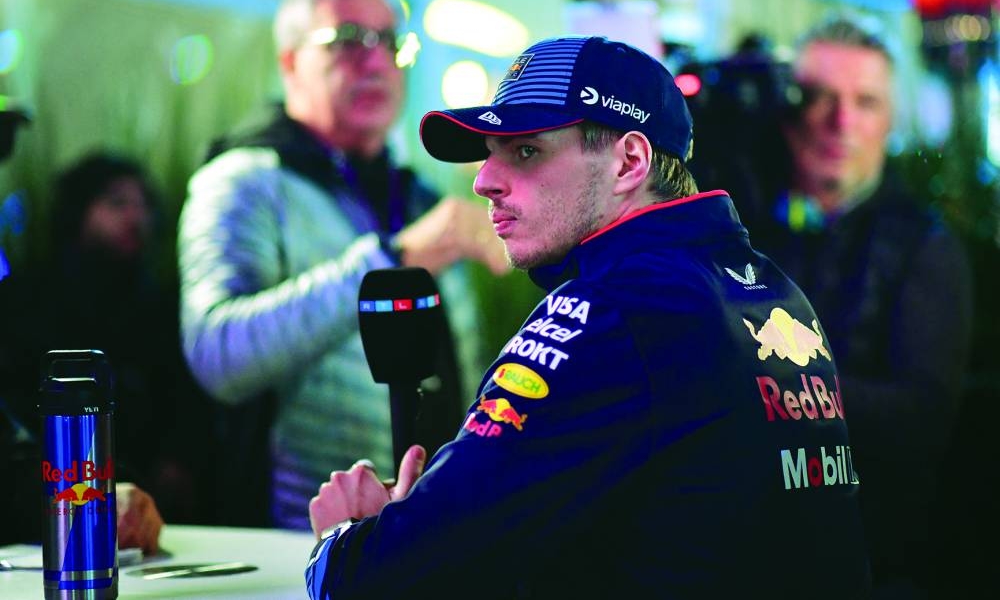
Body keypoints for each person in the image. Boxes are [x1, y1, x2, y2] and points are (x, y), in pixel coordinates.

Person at [304, 35, 871, 598]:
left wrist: (345, 537)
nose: (484, 181)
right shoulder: (772, 290)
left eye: (526, 150)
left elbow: (382, 576)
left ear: (629, 161)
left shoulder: (612, 309)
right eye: (489, 152)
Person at [177, 0, 507, 530]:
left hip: (424, 535)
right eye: (348, 40)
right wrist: (393, 259)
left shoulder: (417, 195)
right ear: (289, 63)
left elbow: (460, 377)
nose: (375, 61)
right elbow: (217, 353)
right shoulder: (244, 180)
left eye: (389, 43)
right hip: (292, 541)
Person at [740, 18, 973, 597]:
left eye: (865, 102)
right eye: (819, 97)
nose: (841, 122)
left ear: (889, 121)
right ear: (786, 111)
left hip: (871, 560)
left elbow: (924, 418)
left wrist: (763, 385)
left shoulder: (924, 245)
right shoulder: (743, 227)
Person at [0, 152, 172, 554]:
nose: (136, 216)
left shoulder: (156, 303)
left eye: (143, 204)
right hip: (54, 505)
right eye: (116, 203)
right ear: (78, 211)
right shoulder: (30, 300)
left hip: (138, 510)